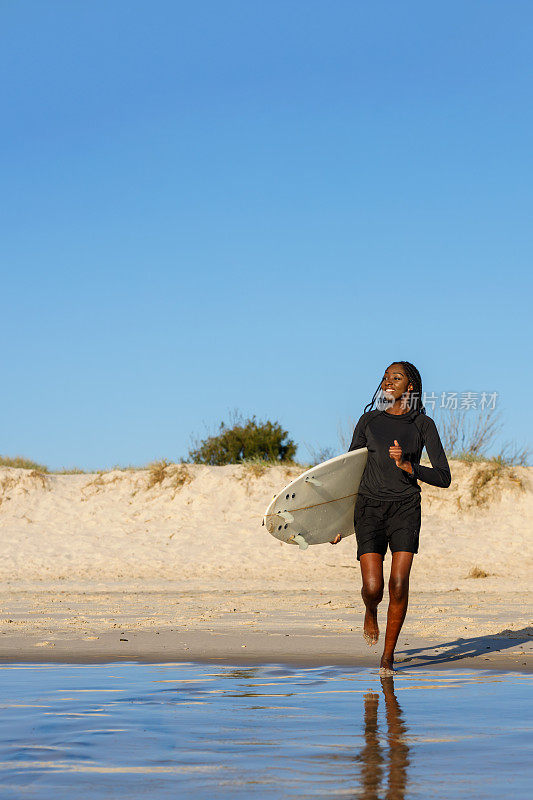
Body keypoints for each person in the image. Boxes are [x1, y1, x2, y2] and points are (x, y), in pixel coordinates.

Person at [330, 361, 451, 675]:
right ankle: (370, 610)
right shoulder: (368, 421)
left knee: (398, 585)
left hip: (405, 508)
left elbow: (444, 477)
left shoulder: (423, 425)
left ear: (410, 386)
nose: (389, 381)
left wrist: (410, 467)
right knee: (373, 587)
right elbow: (349, 472)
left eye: (396, 377)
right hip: (368, 508)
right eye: (386, 376)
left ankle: (387, 657)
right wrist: (337, 522)